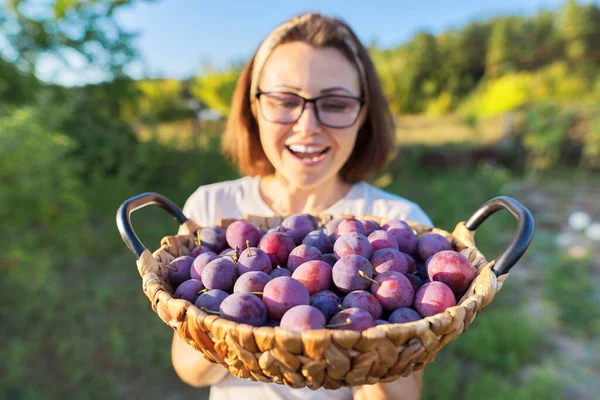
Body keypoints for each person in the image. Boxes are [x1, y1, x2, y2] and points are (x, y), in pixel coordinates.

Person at [173, 11, 432, 400]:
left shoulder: (401, 225)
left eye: (336, 103)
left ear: (363, 114)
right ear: (254, 107)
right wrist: (245, 330)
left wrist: (369, 348)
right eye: (283, 99)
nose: (308, 125)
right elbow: (189, 369)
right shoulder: (211, 209)